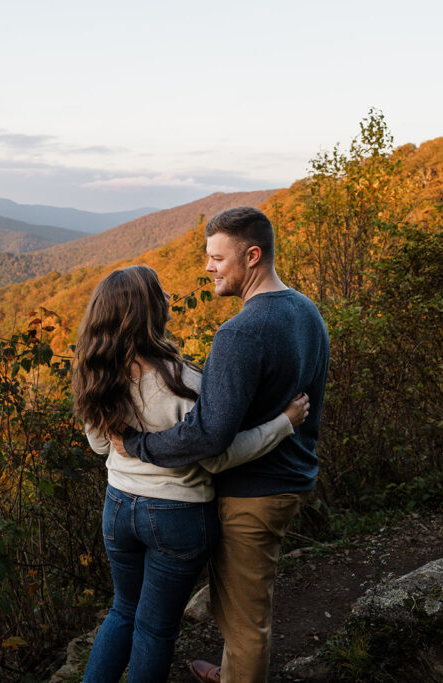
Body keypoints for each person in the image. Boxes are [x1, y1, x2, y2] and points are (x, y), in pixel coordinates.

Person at [111, 207, 330, 683]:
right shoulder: (305, 310)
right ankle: (231, 673)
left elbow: (207, 436)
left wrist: (140, 445)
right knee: (238, 601)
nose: (208, 267)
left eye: (216, 258)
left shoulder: (240, 332)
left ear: (252, 256)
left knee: (246, 619)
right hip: (291, 476)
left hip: (256, 490)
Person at [73, 264, 310, 683]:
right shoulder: (186, 384)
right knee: (155, 627)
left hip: (118, 507)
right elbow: (215, 458)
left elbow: (98, 445)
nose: (168, 299)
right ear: (147, 313)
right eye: (161, 293)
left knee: (122, 610)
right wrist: (284, 423)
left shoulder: (96, 376)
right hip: (177, 515)